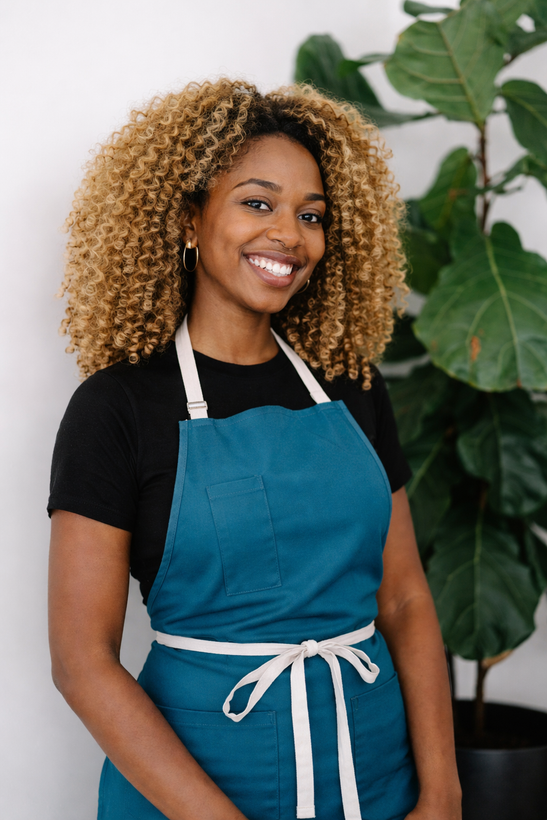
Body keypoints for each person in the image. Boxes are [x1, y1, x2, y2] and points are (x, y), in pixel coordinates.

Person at [48, 79, 462, 820]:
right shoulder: (117, 409)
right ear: (189, 217)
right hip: (195, 793)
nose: (289, 236)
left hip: (375, 779)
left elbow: (403, 599)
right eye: (257, 203)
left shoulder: (350, 387)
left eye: (311, 215)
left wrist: (442, 793)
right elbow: (83, 665)